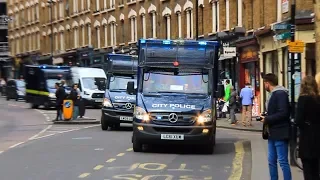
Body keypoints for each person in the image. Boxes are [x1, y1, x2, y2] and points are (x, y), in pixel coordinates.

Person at [260, 73, 292, 180]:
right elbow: (276, 111)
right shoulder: (274, 94)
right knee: (271, 161)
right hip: (272, 133)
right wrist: (266, 115)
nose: (264, 86)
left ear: (267, 83)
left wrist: (267, 119)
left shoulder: (280, 94)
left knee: (282, 161)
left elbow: (284, 113)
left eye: (264, 83)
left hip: (280, 132)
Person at [295, 76, 320, 180]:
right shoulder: (318, 99)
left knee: (308, 171)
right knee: (316, 171)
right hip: (318, 138)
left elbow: (298, 120)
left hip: (307, 140)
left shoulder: (303, 99)